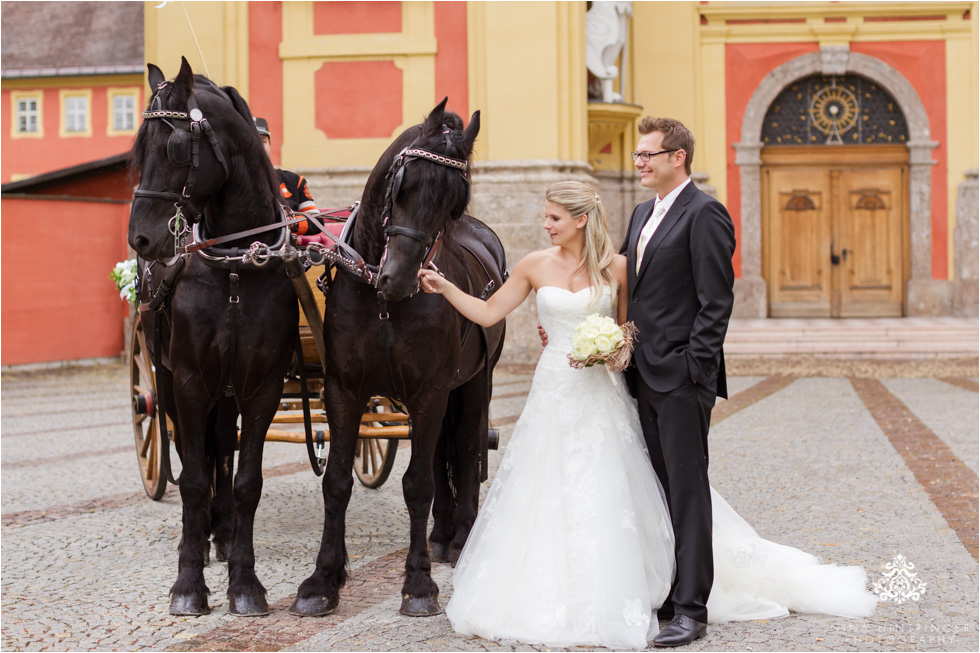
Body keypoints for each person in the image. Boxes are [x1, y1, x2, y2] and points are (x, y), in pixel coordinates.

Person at [421, 181, 878, 650]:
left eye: (554, 217)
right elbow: (488, 311)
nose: (545, 224)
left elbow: (628, 331)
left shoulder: (616, 267)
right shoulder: (533, 265)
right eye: (545, 216)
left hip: (602, 394)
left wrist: (613, 351)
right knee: (547, 482)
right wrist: (445, 287)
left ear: (580, 219)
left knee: (613, 484)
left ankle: (649, 588)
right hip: (553, 392)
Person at [254, 117, 319, 235]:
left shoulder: (295, 181)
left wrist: (294, 222)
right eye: (252, 141)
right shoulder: (229, 184)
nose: (258, 147)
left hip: (288, 251)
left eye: (262, 141)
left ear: (269, 144)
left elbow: (317, 221)